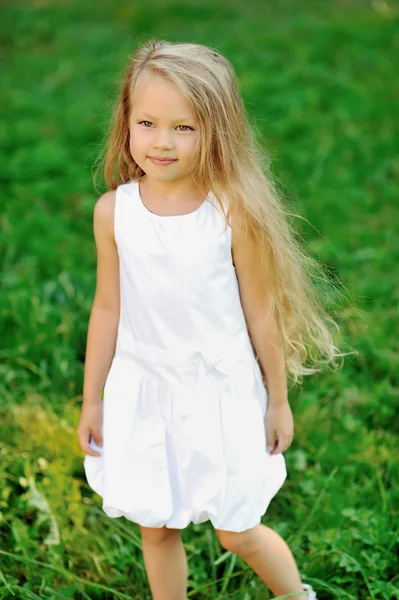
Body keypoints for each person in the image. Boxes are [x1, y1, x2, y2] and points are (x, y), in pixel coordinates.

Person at [77, 39, 346, 600]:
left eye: (184, 127)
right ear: (126, 121)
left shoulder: (229, 213)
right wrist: (92, 398)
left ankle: (296, 595)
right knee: (157, 527)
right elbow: (107, 307)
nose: (162, 142)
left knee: (236, 530)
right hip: (145, 390)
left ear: (216, 131)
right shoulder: (115, 213)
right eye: (147, 122)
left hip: (218, 394)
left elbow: (259, 312)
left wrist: (277, 398)